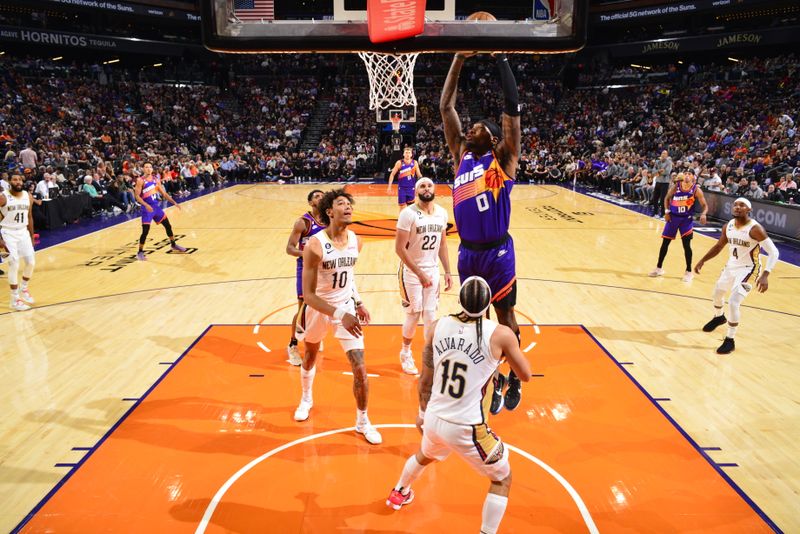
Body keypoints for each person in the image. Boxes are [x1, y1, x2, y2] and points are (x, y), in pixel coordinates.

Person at [385, 276, 531, 534]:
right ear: (488, 305)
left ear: (460, 301)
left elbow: (425, 380)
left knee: (426, 455)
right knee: (502, 479)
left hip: (433, 417)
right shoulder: (501, 334)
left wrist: (421, 413)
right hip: (467, 427)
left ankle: (399, 492)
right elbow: (526, 374)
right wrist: (505, 353)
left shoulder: (437, 326)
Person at [440, 51, 524, 413]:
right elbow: (446, 107)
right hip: (468, 252)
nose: (468, 129)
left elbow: (513, 110)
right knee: (476, 321)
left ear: (490, 137)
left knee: (505, 317)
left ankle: (516, 377)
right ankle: (490, 379)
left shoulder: (502, 158)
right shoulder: (461, 155)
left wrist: (500, 58)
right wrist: (459, 57)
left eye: (475, 128)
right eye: (468, 127)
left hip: (498, 253)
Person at [293, 188, 382, 444]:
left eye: (349, 204)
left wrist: (358, 301)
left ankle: (363, 421)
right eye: (341, 204)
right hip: (319, 309)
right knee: (309, 355)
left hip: (346, 308)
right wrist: (340, 313)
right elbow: (308, 296)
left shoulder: (357, 240)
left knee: (361, 368)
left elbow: (349, 276)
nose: (348, 207)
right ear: (329, 212)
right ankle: (307, 398)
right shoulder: (315, 245)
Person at [694, 197, 779, 354]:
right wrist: (702, 260)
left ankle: (730, 340)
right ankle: (719, 317)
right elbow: (719, 245)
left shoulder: (755, 229)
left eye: (742, 205)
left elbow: (774, 252)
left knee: (733, 301)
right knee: (717, 293)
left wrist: (766, 274)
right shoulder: (728, 226)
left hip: (749, 269)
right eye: (735, 205)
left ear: (749, 210)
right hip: (731, 266)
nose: (738, 207)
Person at [394, 177, 453, 374]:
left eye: (429, 185)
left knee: (430, 315)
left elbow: (443, 245)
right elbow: (400, 249)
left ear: (434, 189)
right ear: (416, 190)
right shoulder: (407, 214)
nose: (426, 189)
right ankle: (405, 352)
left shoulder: (442, 214)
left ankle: (430, 355)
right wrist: (419, 273)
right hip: (411, 270)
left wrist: (447, 271)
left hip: (432, 269)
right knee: (413, 314)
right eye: (422, 186)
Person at [285, 189, 325, 366]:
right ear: (310, 202)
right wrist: (308, 254)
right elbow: (290, 248)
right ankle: (293, 345)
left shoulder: (330, 220)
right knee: (303, 309)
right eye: (317, 196)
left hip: (324, 270)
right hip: (306, 268)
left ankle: (313, 336)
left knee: (320, 308)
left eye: (323, 196)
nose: (321, 198)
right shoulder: (303, 222)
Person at [649, 172, 708, 282]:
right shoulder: (676, 186)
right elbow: (666, 198)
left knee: (686, 246)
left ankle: (689, 271)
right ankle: (658, 268)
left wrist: (703, 214)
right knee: (665, 244)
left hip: (686, 220)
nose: (687, 175)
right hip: (673, 218)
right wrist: (666, 211)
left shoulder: (696, 190)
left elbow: (705, 205)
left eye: (689, 174)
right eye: (685, 173)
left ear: (693, 177)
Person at [133, 162, 187, 261]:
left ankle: (173, 245)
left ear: (152, 169)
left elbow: (164, 194)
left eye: (150, 167)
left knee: (168, 225)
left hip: (156, 208)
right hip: (147, 209)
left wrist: (174, 202)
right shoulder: (140, 180)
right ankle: (140, 252)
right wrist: (145, 205)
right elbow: (136, 196)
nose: (148, 169)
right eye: (146, 167)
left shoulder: (155, 180)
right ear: (143, 169)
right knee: (145, 231)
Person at [0, 173, 36, 311]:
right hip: (7, 233)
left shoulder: (28, 196)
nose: (18, 181)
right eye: (15, 179)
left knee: (31, 262)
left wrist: (32, 236)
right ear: (9, 182)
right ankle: (14, 299)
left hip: (23, 233)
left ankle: (24, 288)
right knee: (13, 264)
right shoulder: (3, 197)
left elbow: (30, 216)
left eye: (20, 179)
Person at [652, 150, 672, 218]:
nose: (663, 155)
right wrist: (659, 171)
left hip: (665, 183)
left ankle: (663, 214)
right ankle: (655, 213)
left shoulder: (669, 162)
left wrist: (658, 173)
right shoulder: (657, 162)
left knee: (663, 199)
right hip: (658, 181)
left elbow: (667, 172)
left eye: (665, 153)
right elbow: (653, 171)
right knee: (655, 198)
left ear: (667, 155)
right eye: (662, 153)